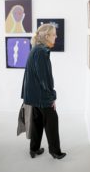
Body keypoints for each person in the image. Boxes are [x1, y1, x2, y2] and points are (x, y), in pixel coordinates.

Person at [21, 23, 66, 159]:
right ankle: (55, 152)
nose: (56, 36)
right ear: (46, 36)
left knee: (37, 122)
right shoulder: (41, 52)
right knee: (52, 121)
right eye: (54, 34)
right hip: (41, 96)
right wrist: (52, 97)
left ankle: (34, 149)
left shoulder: (36, 49)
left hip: (33, 95)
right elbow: (44, 79)